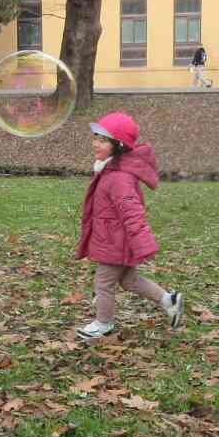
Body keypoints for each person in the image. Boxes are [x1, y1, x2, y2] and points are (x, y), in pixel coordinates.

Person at [75, 111, 184, 340]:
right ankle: (169, 300)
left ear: (118, 145)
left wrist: (143, 243)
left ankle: (103, 324)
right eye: (95, 137)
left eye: (103, 140)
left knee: (103, 283)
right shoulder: (110, 170)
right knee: (128, 280)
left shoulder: (119, 178)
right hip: (114, 239)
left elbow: (132, 212)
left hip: (116, 242)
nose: (96, 143)